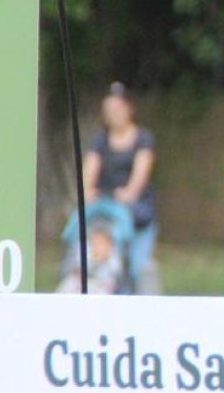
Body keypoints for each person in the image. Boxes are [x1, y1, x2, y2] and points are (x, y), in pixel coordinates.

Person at [82, 82, 158, 293]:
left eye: (116, 109)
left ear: (128, 109)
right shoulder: (100, 141)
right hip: (107, 214)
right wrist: (88, 191)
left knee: (137, 269)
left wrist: (129, 193)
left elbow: (139, 176)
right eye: (108, 111)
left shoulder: (143, 139)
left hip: (136, 215)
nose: (112, 115)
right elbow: (90, 170)